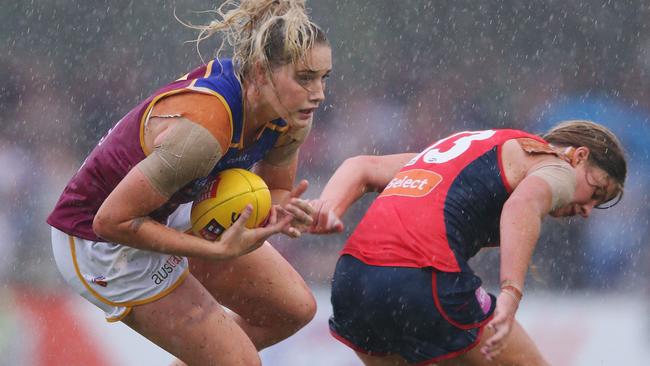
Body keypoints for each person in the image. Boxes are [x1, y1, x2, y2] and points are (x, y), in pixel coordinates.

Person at [47, 1, 331, 365]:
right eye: (305, 78)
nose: (319, 93)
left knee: (294, 310)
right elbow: (111, 221)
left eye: (324, 78)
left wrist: (279, 211)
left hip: (175, 206)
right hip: (98, 241)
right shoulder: (205, 129)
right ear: (261, 72)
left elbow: (275, 189)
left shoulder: (292, 115)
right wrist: (213, 250)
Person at [309, 120, 626, 365]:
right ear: (580, 156)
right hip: (421, 277)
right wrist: (511, 293)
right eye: (596, 192)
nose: (586, 210)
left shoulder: (470, 147)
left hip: (352, 282)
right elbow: (522, 206)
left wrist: (326, 209)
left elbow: (363, 166)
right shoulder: (557, 163)